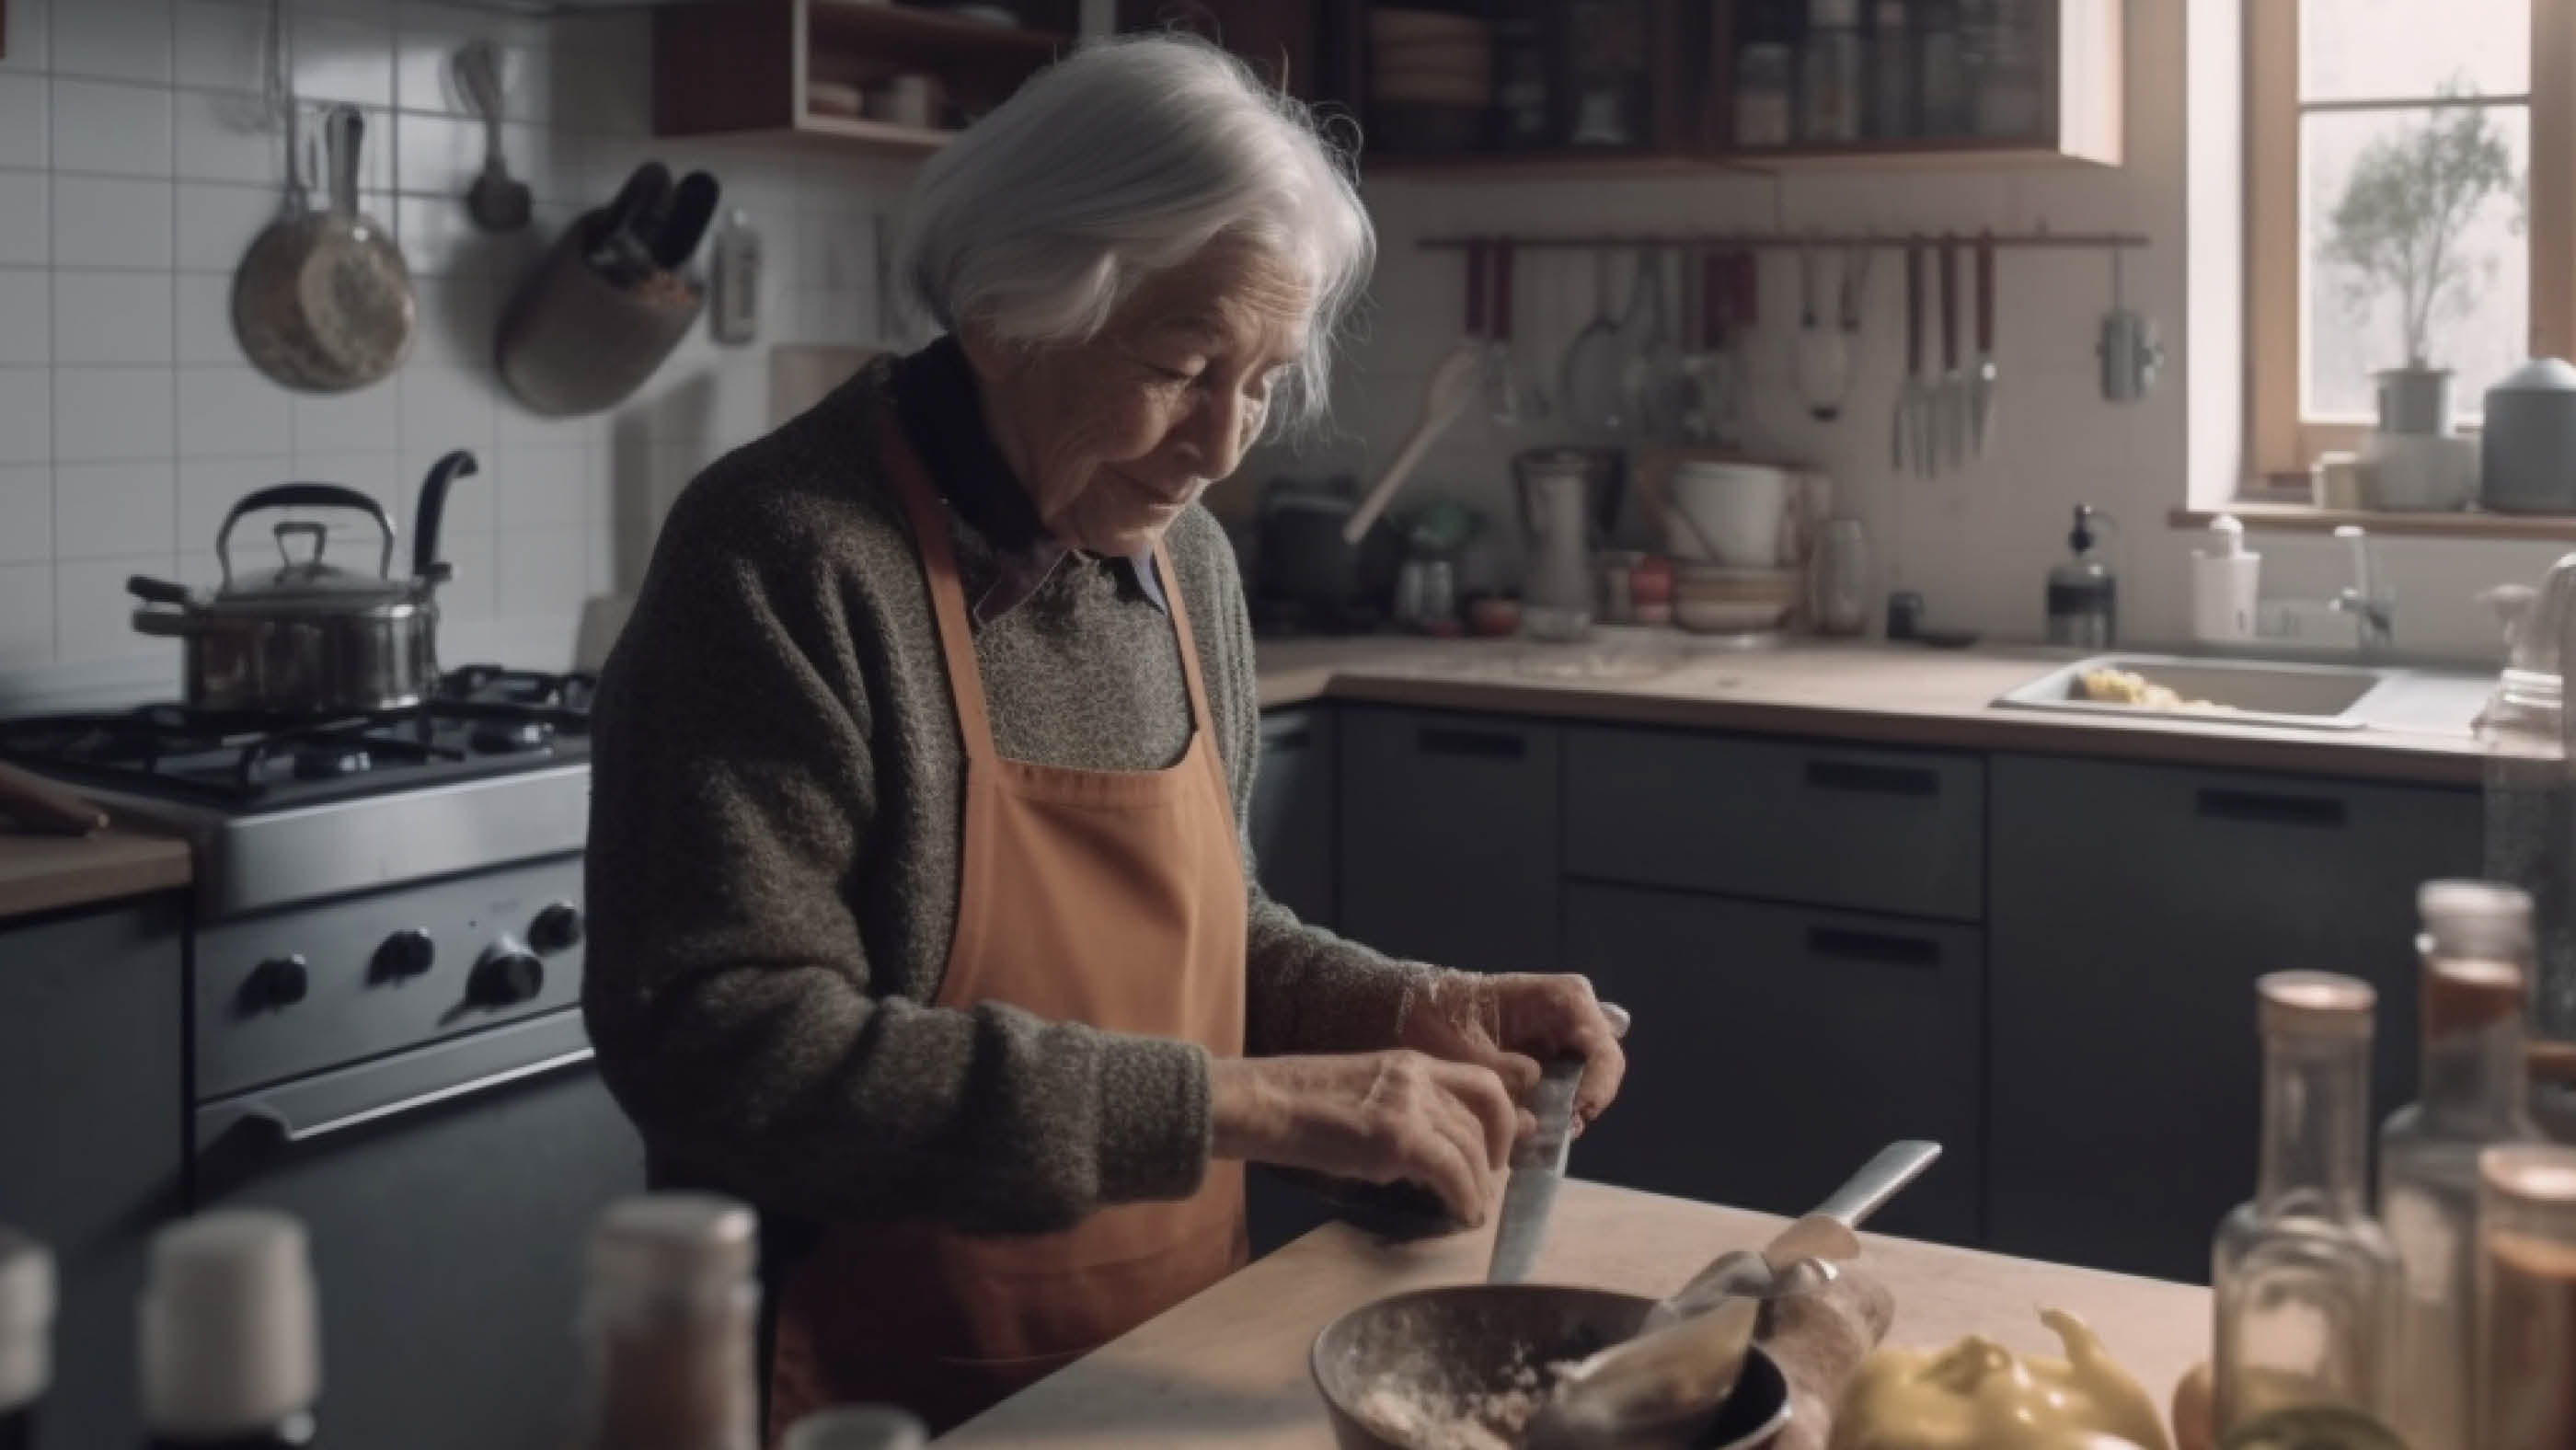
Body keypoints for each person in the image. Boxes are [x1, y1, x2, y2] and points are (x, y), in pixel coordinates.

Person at [581, 34, 1627, 1437]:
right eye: (1187, 364)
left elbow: (1208, 944)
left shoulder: (1179, 561)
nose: (1220, 445)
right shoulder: (787, 558)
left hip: (1176, 1362)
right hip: (867, 1397)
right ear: (1013, 312)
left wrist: (1410, 1012)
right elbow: (729, 1050)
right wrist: (1254, 1108)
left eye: (1262, 379)